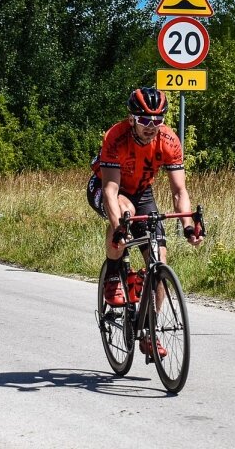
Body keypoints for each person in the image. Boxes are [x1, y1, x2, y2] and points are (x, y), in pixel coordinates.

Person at [87, 87, 203, 359]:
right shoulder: (115, 137)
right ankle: (114, 270)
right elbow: (110, 191)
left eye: (158, 120)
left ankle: (149, 330)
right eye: (145, 121)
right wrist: (118, 229)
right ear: (132, 120)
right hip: (108, 187)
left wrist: (187, 225)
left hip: (142, 191)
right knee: (124, 212)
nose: (152, 127)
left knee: (159, 258)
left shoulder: (169, 140)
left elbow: (179, 192)